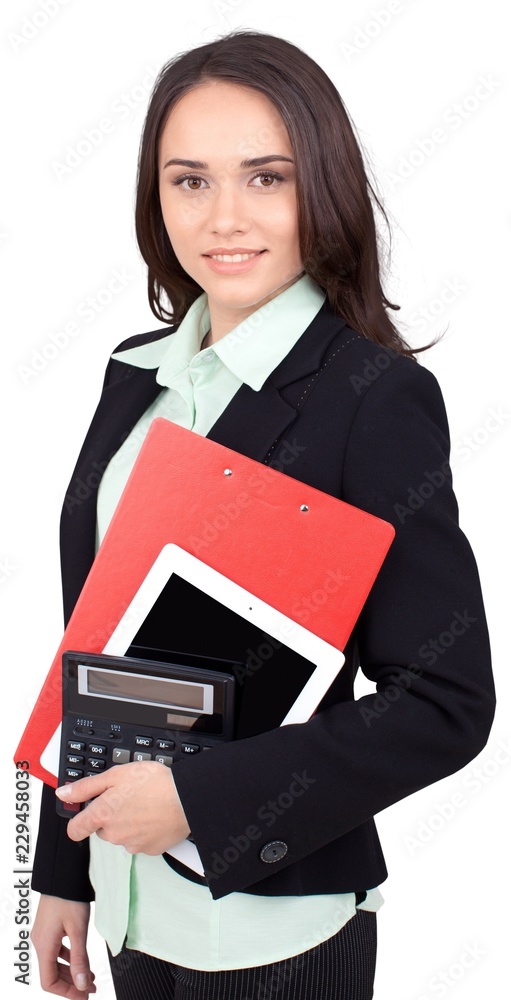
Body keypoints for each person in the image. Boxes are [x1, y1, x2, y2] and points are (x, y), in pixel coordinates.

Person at [30, 28, 495, 1000]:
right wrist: (63, 872)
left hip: (270, 929)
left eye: (266, 177)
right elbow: (100, 639)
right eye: (189, 180)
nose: (224, 217)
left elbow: (446, 704)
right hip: (130, 900)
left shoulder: (369, 397)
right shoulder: (136, 376)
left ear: (318, 189)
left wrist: (195, 800)